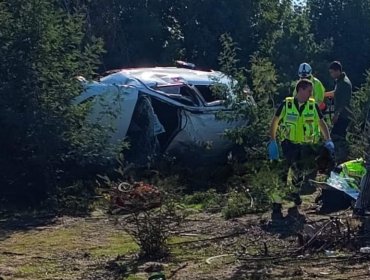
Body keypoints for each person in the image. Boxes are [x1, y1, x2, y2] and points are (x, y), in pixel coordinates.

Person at [268, 79, 334, 221]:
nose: (311, 94)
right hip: (287, 145)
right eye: (309, 91)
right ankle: (276, 206)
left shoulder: (312, 106)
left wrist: (328, 139)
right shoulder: (287, 104)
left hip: (304, 147)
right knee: (282, 175)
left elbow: (321, 123)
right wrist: (272, 141)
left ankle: (293, 199)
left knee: (298, 176)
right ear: (301, 90)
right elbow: (275, 122)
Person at [328, 61, 352, 138]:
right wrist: (324, 94)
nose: (331, 75)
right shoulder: (339, 81)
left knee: (336, 137)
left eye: (332, 72)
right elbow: (336, 93)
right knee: (337, 135)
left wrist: (336, 114)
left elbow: (344, 102)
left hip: (343, 116)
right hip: (341, 115)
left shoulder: (344, 83)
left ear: (338, 71)